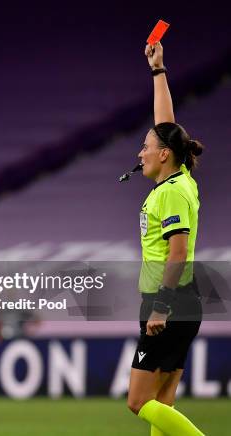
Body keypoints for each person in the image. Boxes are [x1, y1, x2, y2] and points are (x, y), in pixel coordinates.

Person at [126, 42, 205, 436]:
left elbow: (178, 251)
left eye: (146, 147)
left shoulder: (172, 192)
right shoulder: (179, 178)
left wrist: (160, 306)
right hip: (184, 300)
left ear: (163, 156)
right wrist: (158, 72)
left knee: (138, 402)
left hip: (168, 303)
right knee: (163, 401)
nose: (140, 153)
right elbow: (167, 126)